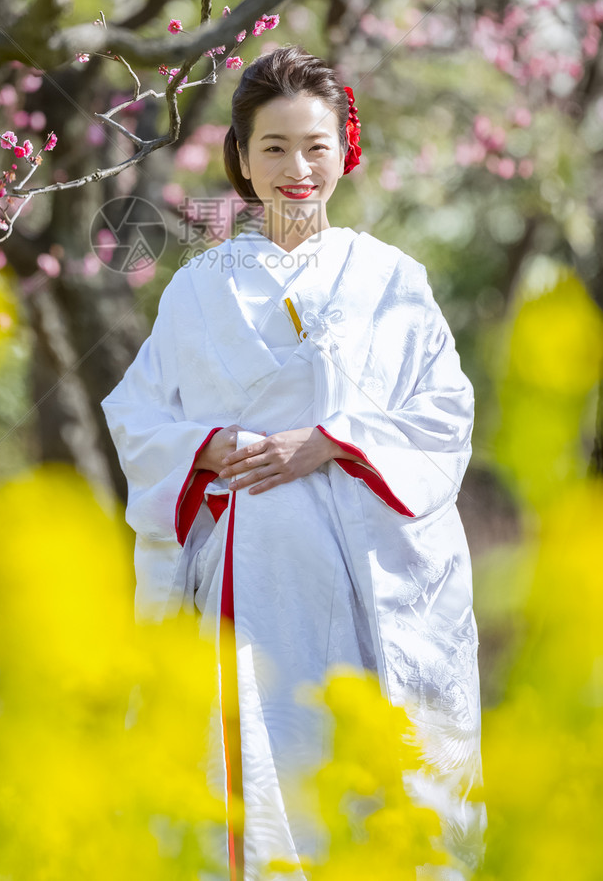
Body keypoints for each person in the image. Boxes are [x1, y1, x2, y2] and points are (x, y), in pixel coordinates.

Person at [100, 45, 485, 881]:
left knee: (368, 790)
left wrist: (330, 441)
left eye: (315, 145)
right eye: (272, 147)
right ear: (239, 159)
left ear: (345, 148)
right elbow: (136, 412)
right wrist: (206, 447)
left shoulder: (393, 279)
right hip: (246, 581)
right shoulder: (198, 287)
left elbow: (444, 413)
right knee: (251, 788)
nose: (297, 168)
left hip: (363, 580)